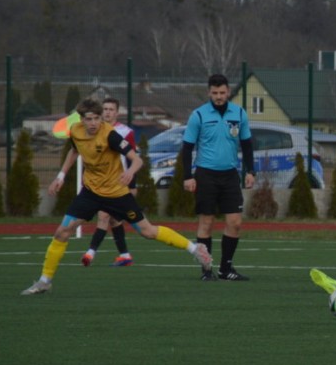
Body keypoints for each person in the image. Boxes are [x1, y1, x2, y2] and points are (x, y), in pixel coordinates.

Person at [21, 99, 212, 295]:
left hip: (116, 193)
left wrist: (130, 172)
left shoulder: (110, 135)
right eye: (89, 119)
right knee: (62, 231)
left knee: (147, 231)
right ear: (81, 120)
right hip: (90, 192)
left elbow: (137, 159)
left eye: (97, 118)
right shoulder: (76, 131)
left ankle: (196, 249)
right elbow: (74, 151)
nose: (94, 123)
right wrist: (61, 176)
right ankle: (45, 281)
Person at [182, 73, 255, 281]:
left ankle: (225, 269)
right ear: (209, 93)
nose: (219, 96)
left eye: (222, 92)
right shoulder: (199, 115)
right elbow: (187, 147)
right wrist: (187, 176)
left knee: (235, 222)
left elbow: (247, 144)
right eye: (215, 93)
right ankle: (206, 270)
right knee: (206, 222)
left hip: (230, 175)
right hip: (205, 175)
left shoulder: (239, 113)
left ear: (228, 92)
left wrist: (251, 171)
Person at [81, 97, 138, 267]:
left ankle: (90, 253)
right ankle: (125, 255)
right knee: (113, 220)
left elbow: (132, 159)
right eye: (105, 109)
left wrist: (132, 184)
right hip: (101, 183)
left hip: (119, 182)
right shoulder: (94, 131)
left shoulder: (125, 132)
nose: (107, 112)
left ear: (117, 113)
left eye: (111, 109)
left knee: (104, 215)